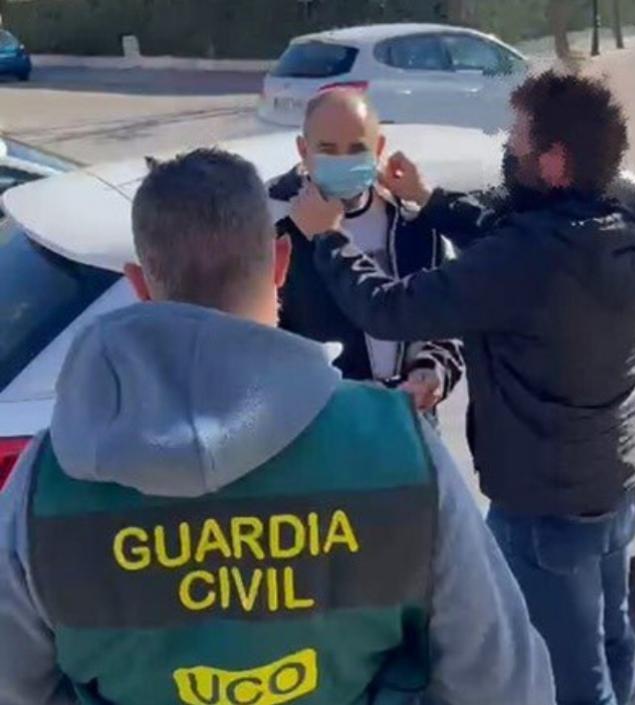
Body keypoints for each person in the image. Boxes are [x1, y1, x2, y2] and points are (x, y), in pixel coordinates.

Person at [0, 149, 554, 705]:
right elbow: (504, 683)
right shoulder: (397, 444)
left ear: (140, 283)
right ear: (282, 262)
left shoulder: (46, 479)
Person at [290, 70, 635, 705]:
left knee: (568, 674)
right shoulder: (628, 217)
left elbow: (388, 308)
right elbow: (513, 241)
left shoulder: (523, 257)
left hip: (544, 508)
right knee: (614, 637)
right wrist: (433, 202)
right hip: (615, 485)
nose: (506, 151)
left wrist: (326, 237)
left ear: (554, 160)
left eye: (516, 140)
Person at [270, 88, 464, 417]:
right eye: (328, 150)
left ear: (379, 148)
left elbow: (447, 321)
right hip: (315, 430)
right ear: (304, 150)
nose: (343, 160)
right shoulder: (270, 222)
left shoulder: (414, 225)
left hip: (405, 423)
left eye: (357, 149)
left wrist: (433, 371)